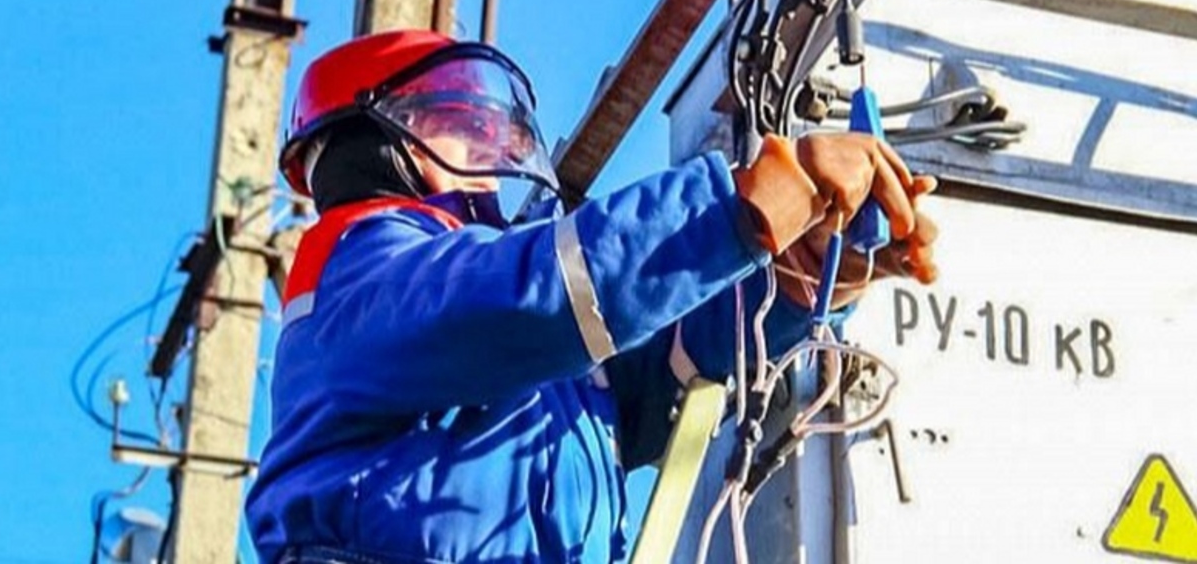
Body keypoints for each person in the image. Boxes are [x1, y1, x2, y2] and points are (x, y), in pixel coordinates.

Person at [245, 29, 938, 564]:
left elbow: (660, 372)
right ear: (372, 143)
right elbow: (536, 296)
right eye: (461, 129)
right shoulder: (362, 267)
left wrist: (799, 272)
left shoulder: (504, 353)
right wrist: (744, 208)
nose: (489, 161)